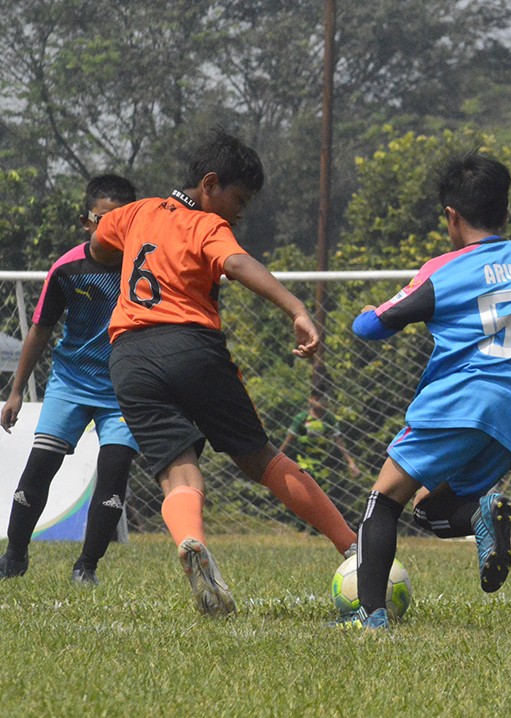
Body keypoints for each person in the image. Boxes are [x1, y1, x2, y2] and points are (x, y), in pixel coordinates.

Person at [345, 152, 511, 631]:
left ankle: (370, 617)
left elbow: (371, 327)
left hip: (457, 404)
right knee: (430, 508)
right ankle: (480, 514)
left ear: (452, 216)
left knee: (383, 500)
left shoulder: (445, 270)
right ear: (506, 213)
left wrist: (366, 314)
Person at [88, 130, 356, 617]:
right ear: (209, 184)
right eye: (239, 199)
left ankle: (191, 539)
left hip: (128, 356)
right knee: (260, 460)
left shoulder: (136, 212)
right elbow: (236, 262)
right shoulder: (205, 225)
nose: (240, 212)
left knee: (177, 469)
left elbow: (97, 246)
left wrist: (113, 249)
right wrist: (295, 307)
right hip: (191, 348)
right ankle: (353, 547)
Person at [0, 175, 140, 586]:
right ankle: (14, 555)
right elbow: (40, 329)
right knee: (41, 465)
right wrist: (14, 392)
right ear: (86, 221)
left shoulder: (144, 266)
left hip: (123, 388)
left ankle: (87, 567)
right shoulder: (67, 269)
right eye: (103, 219)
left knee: (114, 472)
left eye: (121, 220)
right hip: (71, 382)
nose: (111, 228)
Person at [280, 386, 361, 519]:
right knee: (304, 494)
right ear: (310, 400)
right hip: (304, 464)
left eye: (324, 399)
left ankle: (316, 526)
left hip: (323, 464)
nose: (321, 402)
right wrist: (277, 458)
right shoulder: (302, 418)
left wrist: (351, 462)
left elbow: (338, 441)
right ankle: (301, 524)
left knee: (323, 496)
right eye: (317, 399)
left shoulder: (329, 420)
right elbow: (288, 440)